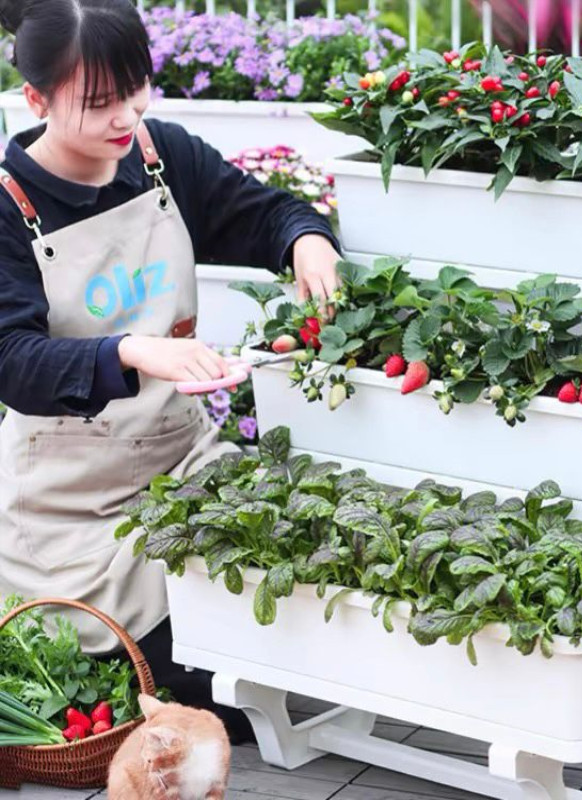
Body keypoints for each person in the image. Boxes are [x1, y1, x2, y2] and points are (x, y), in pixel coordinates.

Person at [0, 0, 341, 740]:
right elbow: (12, 361)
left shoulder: (161, 157)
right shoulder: (9, 206)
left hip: (183, 464)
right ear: (36, 100)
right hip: (71, 506)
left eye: (136, 88)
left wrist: (305, 239)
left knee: (276, 618)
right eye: (99, 103)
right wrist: (128, 349)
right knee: (192, 693)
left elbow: (261, 213)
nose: (126, 115)